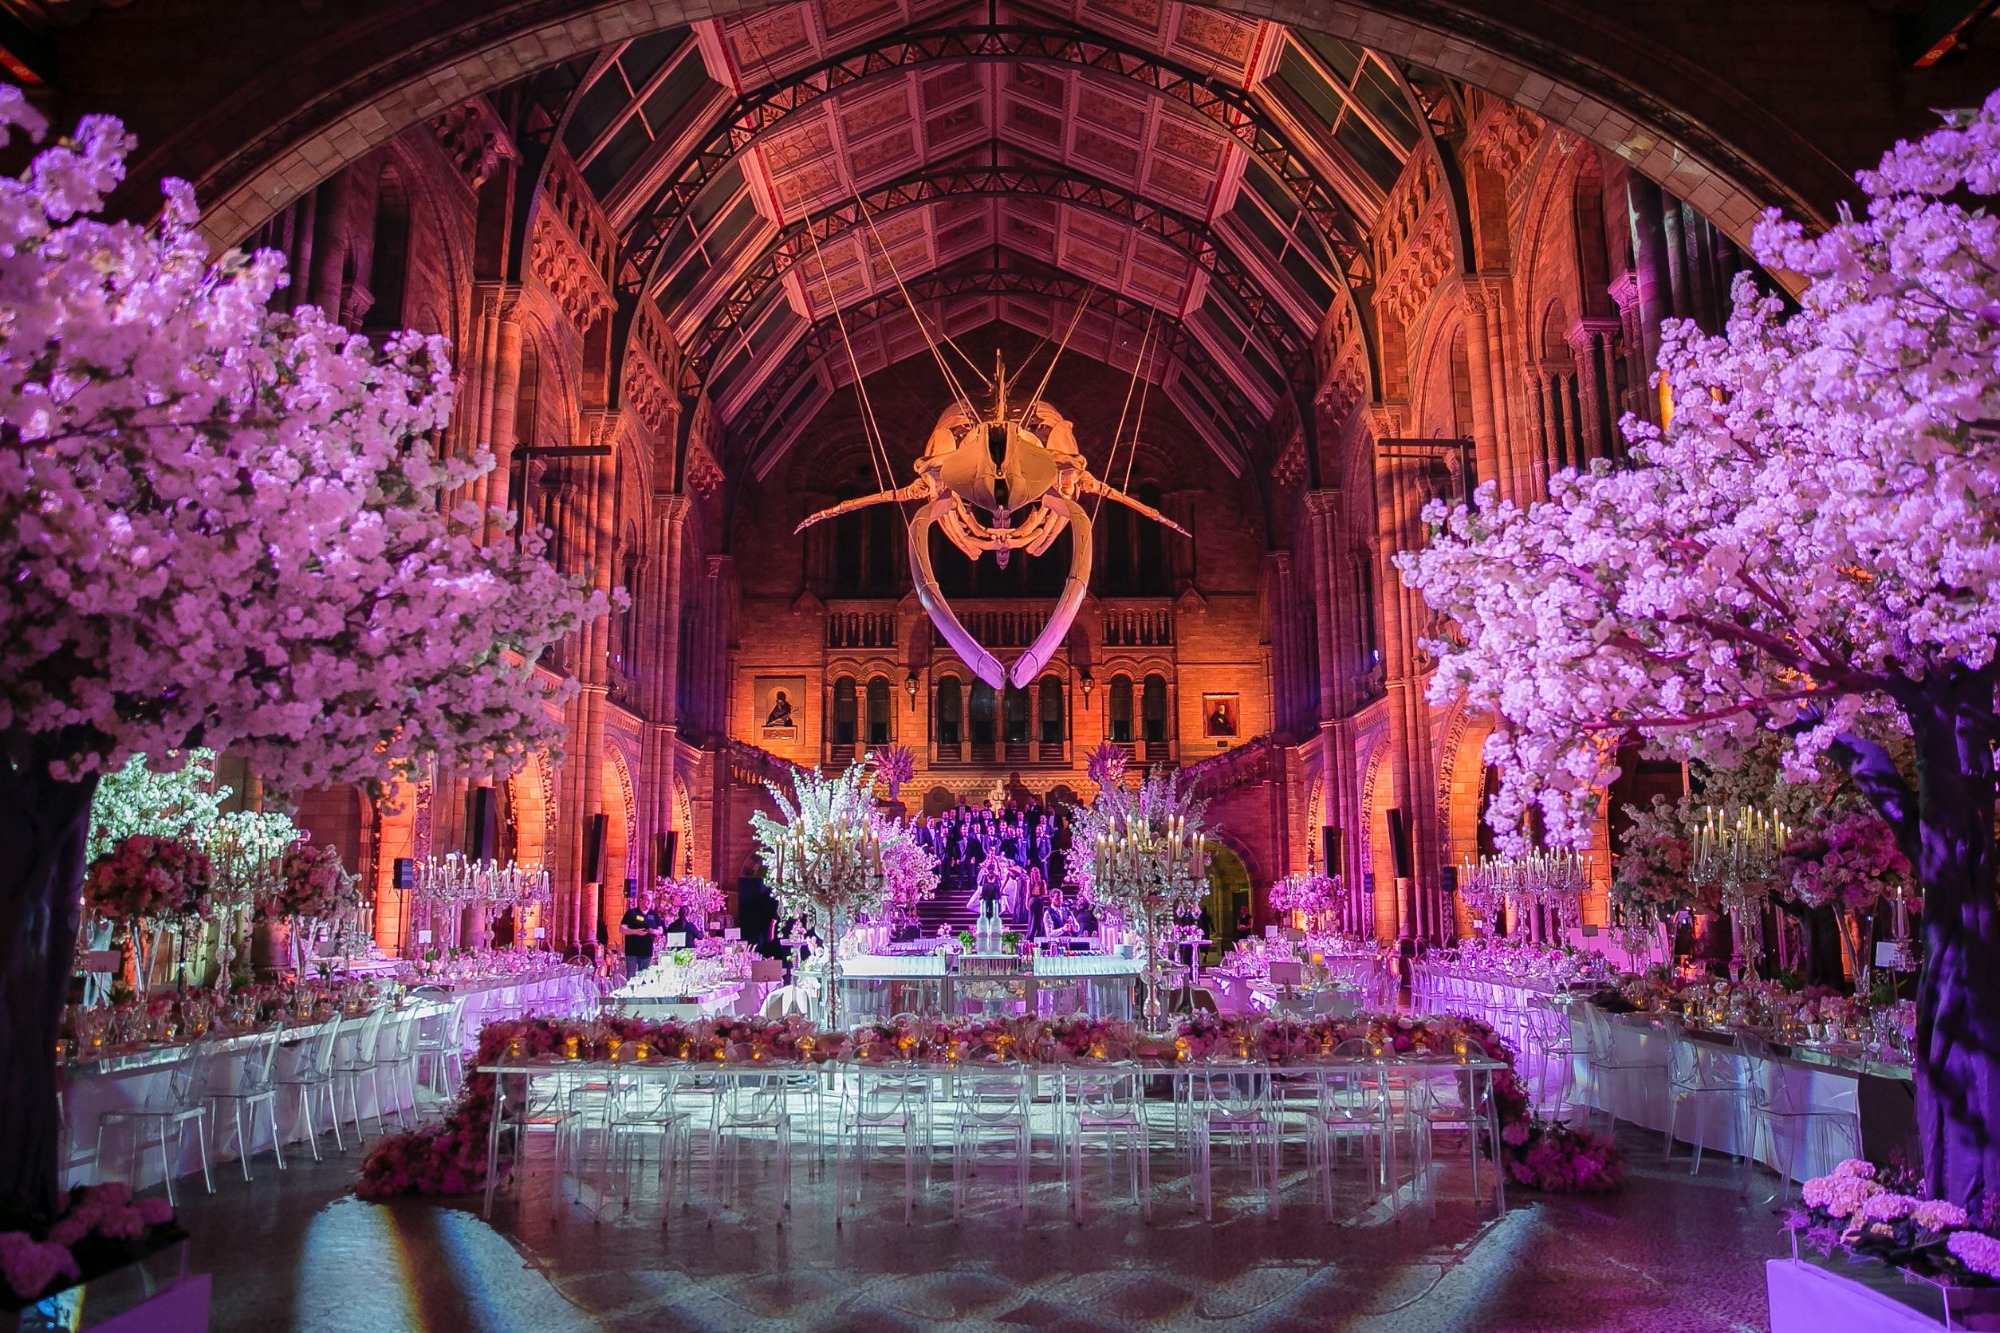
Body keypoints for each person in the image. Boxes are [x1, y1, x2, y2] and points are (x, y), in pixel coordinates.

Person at [620, 891, 663, 979]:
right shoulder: (631, 913)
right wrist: (636, 931)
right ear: (641, 900)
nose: (649, 903)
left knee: (644, 976)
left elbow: (660, 930)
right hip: (632, 951)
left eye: (650, 901)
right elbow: (622, 929)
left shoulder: (653, 914)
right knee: (631, 976)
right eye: (647, 900)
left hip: (646, 951)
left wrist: (653, 931)